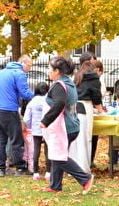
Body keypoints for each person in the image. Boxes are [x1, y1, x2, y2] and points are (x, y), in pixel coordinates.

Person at [40, 56, 94, 194]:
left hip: (63, 127)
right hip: (72, 126)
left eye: (49, 69)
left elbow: (59, 104)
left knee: (58, 157)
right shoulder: (69, 83)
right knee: (57, 154)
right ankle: (55, 185)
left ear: (57, 71)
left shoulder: (59, 86)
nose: (48, 72)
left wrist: (45, 121)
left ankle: (85, 178)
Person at [0, 55, 34, 177]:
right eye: (29, 66)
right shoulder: (19, 73)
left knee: (0, 140)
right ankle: (20, 168)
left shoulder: (2, 72)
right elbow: (25, 93)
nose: (29, 69)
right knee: (17, 139)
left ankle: (1, 169)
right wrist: (38, 96)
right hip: (9, 110)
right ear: (23, 63)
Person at [69, 60, 103, 174]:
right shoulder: (94, 79)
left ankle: (73, 167)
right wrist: (101, 110)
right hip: (85, 108)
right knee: (84, 138)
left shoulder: (77, 77)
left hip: (73, 108)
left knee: (75, 140)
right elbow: (96, 97)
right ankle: (83, 168)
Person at [23, 82, 50, 180]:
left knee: (36, 150)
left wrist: (30, 126)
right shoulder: (49, 101)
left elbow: (26, 118)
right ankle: (48, 172)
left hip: (36, 128)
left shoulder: (32, 102)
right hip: (47, 127)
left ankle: (35, 172)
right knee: (48, 150)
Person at [90, 59, 106, 168]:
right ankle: (88, 159)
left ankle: (90, 159)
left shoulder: (98, 80)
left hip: (94, 109)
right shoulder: (94, 81)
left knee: (94, 137)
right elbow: (97, 96)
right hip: (91, 110)